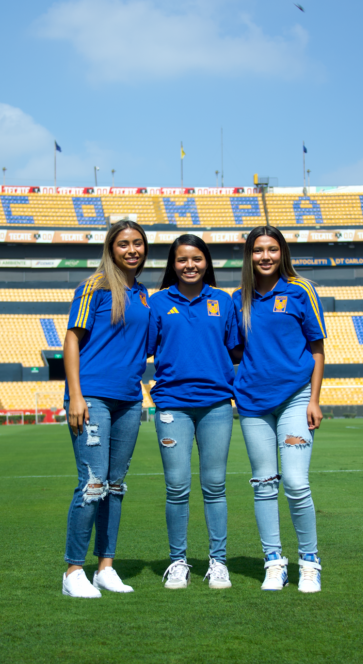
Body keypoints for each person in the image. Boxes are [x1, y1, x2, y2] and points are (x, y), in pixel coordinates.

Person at [232, 226, 326, 593]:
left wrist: (315, 399)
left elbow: (317, 349)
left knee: (297, 483)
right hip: (253, 404)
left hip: (296, 398)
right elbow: (236, 350)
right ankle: (274, 562)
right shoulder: (240, 298)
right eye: (258, 250)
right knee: (263, 484)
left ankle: (309, 561)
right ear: (249, 255)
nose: (265, 256)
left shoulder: (301, 289)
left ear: (282, 253)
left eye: (272, 249)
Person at [61, 220, 150, 598]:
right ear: (111, 249)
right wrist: (76, 396)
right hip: (92, 397)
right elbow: (71, 339)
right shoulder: (94, 286)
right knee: (93, 483)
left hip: (130, 400)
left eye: (138, 244)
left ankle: (105, 568)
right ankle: (73, 572)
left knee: (114, 486)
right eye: (124, 244)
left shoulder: (145, 295)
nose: (132, 250)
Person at [147, 234, 240, 590]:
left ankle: (218, 562)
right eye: (182, 259)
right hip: (172, 405)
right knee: (177, 487)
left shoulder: (224, 301)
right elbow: (143, 349)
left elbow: (236, 351)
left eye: (197, 259)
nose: (190, 265)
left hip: (217, 405)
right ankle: (178, 562)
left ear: (207, 262)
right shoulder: (157, 303)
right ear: (173, 264)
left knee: (215, 486)